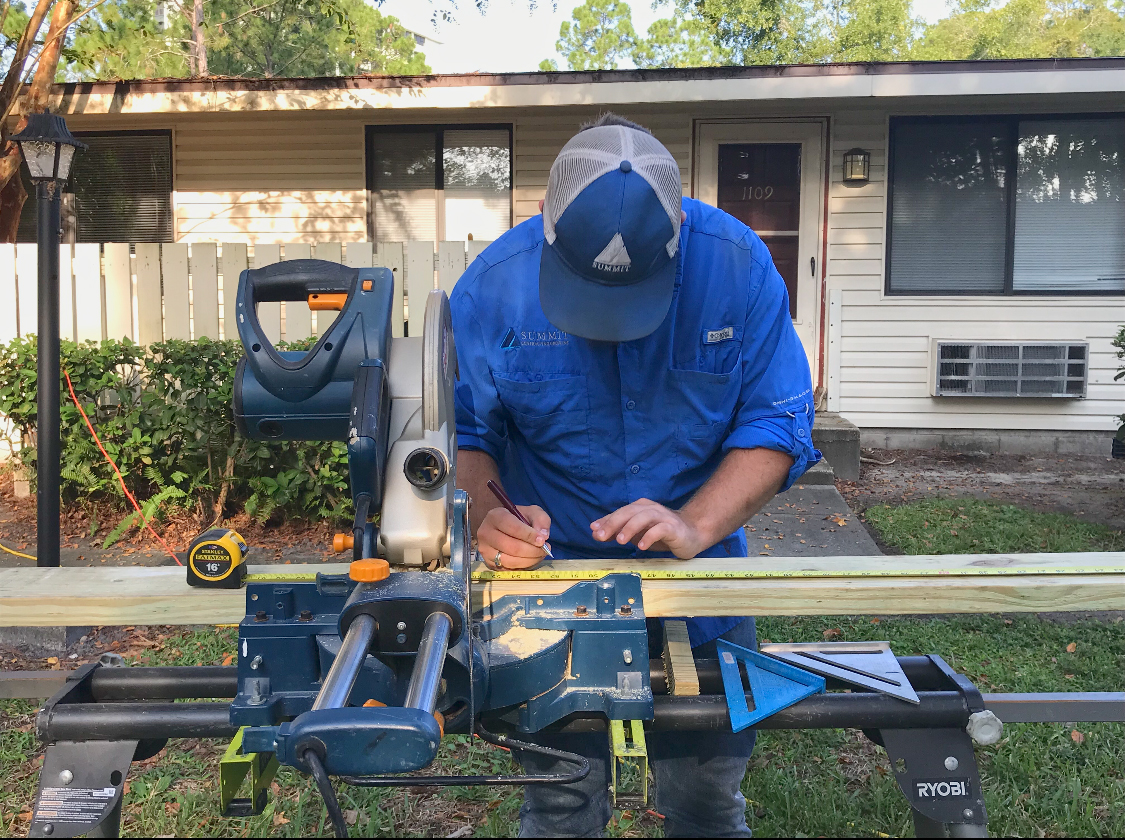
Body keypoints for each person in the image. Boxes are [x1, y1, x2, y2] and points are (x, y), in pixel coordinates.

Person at [450, 113, 820, 838]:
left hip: (702, 580)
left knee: (708, 799)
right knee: (560, 801)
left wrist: (696, 522)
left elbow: (777, 421)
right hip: (550, 591)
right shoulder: (492, 287)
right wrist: (484, 513)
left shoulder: (737, 267)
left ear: (678, 227)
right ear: (543, 219)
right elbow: (463, 435)